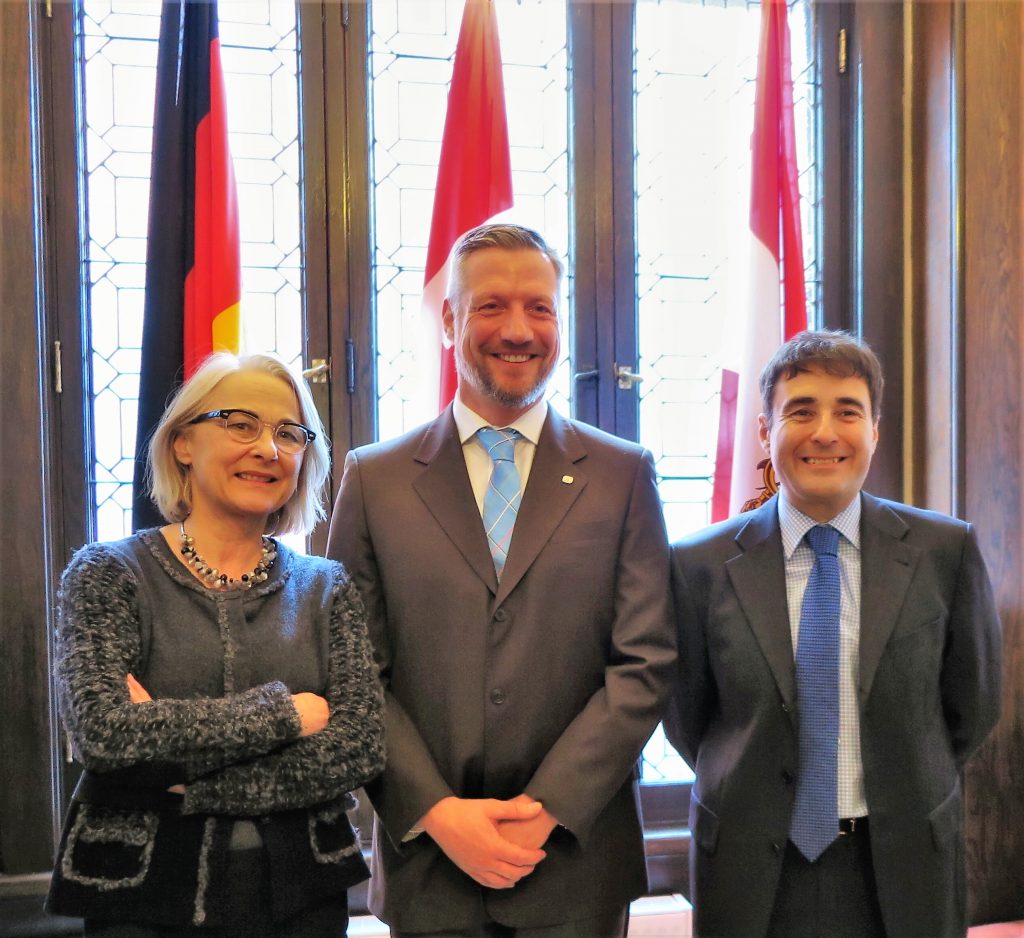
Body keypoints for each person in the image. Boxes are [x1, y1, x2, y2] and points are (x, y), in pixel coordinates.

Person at [327, 222, 676, 937]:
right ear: (451, 319)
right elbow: (353, 674)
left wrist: (545, 810)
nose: (518, 329)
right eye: (491, 306)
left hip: (577, 866)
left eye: (540, 307)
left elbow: (646, 664)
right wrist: (436, 813)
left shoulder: (624, 475)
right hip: (431, 867)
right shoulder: (375, 480)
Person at [665, 330, 1002, 938]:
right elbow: (691, 719)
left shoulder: (944, 551)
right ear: (766, 432)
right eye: (800, 411)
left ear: (875, 429)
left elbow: (970, 709)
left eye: (848, 411)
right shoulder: (697, 565)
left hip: (902, 863)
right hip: (750, 869)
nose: (824, 432)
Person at [47, 352, 385, 938]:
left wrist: (187, 774)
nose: (267, 449)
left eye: (288, 432)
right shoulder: (106, 574)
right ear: (182, 443)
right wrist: (288, 714)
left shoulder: (326, 586)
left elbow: (357, 747)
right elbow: (106, 734)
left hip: (304, 898)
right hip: (140, 900)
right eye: (240, 423)